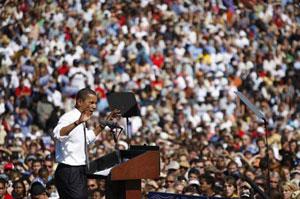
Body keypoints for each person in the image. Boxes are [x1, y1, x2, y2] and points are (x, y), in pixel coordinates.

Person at [52, 88, 120, 198]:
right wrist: (77, 122)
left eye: (95, 103)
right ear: (79, 102)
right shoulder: (70, 117)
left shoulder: (82, 119)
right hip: (69, 171)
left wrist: (104, 123)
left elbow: (87, 139)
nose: (94, 106)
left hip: (79, 170)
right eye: (91, 102)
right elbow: (57, 134)